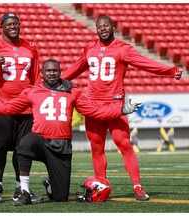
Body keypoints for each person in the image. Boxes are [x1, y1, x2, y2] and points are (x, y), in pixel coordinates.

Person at [0, 59, 141, 206]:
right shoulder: (33, 91)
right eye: (48, 71)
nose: (52, 73)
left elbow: (94, 111)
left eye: (55, 70)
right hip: (40, 141)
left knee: (60, 197)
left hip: (61, 145)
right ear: (42, 74)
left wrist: (122, 111)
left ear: (60, 72)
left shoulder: (73, 91)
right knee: (25, 143)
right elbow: (7, 108)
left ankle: (50, 184)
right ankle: (24, 191)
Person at [61, 15, 184, 201]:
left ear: (112, 27)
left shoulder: (123, 48)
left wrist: (169, 70)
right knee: (96, 147)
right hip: (93, 105)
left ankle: (138, 187)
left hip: (115, 104)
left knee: (124, 144)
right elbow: (76, 68)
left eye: (106, 26)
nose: (102, 29)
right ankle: (101, 187)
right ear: (96, 29)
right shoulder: (90, 47)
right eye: (99, 26)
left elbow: (145, 63)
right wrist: (53, 82)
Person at [0, 13, 42, 203]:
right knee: (0, 147)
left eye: (16, 23)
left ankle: (21, 188)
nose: (13, 26)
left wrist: (36, 102)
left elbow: (36, 78)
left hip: (25, 107)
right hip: (0, 104)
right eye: (8, 24)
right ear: (2, 27)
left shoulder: (30, 47)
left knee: (23, 149)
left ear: (20, 25)